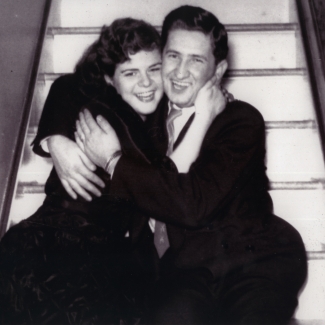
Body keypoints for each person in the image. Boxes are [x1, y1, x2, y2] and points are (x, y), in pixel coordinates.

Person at [77, 6, 308, 325]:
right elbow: (73, 87)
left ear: (218, 70)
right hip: (185, 272)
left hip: (254, 262)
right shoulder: (145, 110)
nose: (180, 72)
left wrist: (114, 161)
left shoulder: (240, 120)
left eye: (196, 60)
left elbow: (191, 204)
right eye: (173, 56)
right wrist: (55, 141)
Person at [0, 17, 227, 324]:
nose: (146, 83)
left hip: (72, 253)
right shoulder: (108, 116)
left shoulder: (141, 119)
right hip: (58, 255)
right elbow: (166, 182)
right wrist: (204, 115)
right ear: (109, 79)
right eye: (130, 73)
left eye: (154, 69)